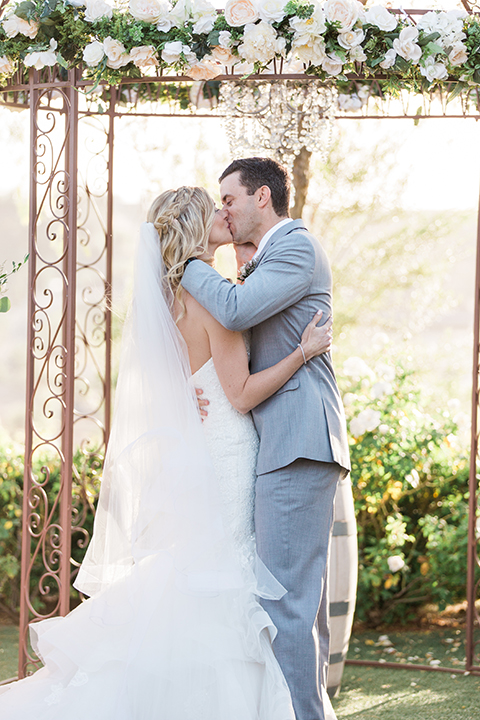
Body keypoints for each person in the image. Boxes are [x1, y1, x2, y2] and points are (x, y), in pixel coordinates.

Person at [0, 186, 333, 719]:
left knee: (195, 577)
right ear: (198, 228)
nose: (225, 214)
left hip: (205, 446)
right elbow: (242, 393)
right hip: (228, 452)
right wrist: (302, 352)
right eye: (215, 208)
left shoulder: (169, 299)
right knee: (225, 583)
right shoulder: (208, 300)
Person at [182, 158, 351, 720]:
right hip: (285, 441)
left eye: (228, 199)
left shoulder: (297, 247)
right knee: (298, 606)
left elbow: (233, 309)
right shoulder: (264, 259)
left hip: (296, 441)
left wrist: (182, 259)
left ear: (261, 197)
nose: (222, 209)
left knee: (285, 607)